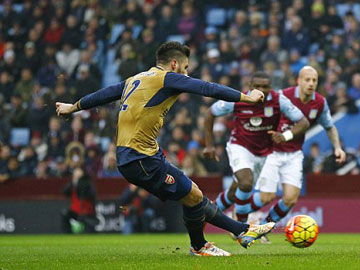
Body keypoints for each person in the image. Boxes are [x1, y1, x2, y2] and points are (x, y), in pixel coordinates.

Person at [56, 41, 275, 257]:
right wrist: (247, 98)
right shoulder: (166, 78)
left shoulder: (137, 79)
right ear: (174, 63)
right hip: (139, 157)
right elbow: (207, 88)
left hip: (139, 154)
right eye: (185, 67)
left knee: (193, 195)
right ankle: (215, 241)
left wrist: (73, 107)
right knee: (192, 194)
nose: (186, 73)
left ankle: (234, 234)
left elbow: (104, 94)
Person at [237, 66, 346, 237]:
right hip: (272, 151)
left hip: (294, 153)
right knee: (266, 196)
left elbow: (330, 127)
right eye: (307, 80)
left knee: (290, 198)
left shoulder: (319, 103)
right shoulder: (283, 96)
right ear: (299, 81)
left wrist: (338, 147)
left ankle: (262, 229)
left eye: (314, 80)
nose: (311, 83)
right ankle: (237, 219)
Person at [203, 72, 309, 223]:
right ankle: (240, 224)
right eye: (257, 86)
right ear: (250, 87)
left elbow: (303, 122)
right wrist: (209, 145)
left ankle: (207, 214)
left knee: (235, 192)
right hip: (240, 146)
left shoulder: (279, 100)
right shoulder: (237, 99)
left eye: (265, 86)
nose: (261, 90)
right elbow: (210, 113)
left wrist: (285, 136)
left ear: (270, 87)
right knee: (246, 184)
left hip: (263, 153)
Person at [61, 167, 98, 233]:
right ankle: (68, 234)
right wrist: (73, 183)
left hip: (86, 211)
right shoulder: (72, 185)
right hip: (75, 211)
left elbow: (92, 194)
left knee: (88, 227)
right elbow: (64, 192)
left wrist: (82, 185)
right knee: (65, 214)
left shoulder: (88, 184)